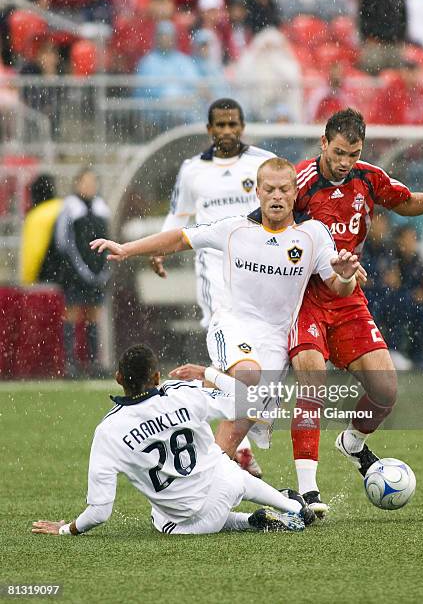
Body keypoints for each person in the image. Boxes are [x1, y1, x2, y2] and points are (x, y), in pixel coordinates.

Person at [91, 158, 366, 500]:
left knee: (237, 422)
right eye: (269, 189)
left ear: (296, 193)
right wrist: (127, 248)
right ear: (257, 191)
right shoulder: (235, 229)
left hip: (276, 342)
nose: (276, 196)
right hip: (233, 325)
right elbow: (181, 238)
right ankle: (197, 378)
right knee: (248, 377)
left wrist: (344, 274)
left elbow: (339, 287)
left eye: (284, 189)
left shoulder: (312, 235)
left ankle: (203, 492)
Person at [289, 108, 423, 512]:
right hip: (303, 298)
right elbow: (265, 221)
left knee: (385, 390)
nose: (345, 162)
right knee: (313, 379)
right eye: (339, 153)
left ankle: (352, 442)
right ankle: (308, 492)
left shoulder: (368, 177)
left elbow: (406, 203)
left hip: (347, 298)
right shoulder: (300, 182)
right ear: (323, 143)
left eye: (353, 153)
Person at [31, 344, 313, 537]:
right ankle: (295, 508)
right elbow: (251, 400)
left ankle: (250, 522)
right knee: (222, 464)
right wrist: (207, 373)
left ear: (118, 378)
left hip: (192, 520)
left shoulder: (108, 431)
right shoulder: (181, 392)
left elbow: (100, 512)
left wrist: (67, 528)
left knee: (161, 517)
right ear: (156, 376)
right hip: (228, 484)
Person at [151, 98, 274, 477]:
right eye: (219, 125)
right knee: (227, 347)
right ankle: (240, 447)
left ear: (242, 125)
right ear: (209, 129)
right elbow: (178, 215)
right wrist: (159, 247)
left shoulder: (263, 163)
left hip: (259, 268)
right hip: (214, 271)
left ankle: (237, 433)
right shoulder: (192, 171)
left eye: (232, 124)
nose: (226, 131)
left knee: (258, 359)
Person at [55, 166, 111, 378]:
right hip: (74, 273)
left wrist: (102, 268)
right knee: (73, 312)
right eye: (85, 182)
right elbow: (64, 243)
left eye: (92, 182)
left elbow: (107, 239)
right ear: (77, 184)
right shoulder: (70, 207)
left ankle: (94, 363)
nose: (90, 186)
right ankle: (71, 363)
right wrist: (80, 269)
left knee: (94, 314)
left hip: (96, 271)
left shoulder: (100, 207)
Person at [20, 174, 63, 285]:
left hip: (48, 278)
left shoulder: (37, 216)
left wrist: (27, 281)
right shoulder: (64, 207)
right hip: (72, 280)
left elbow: (33, 253)